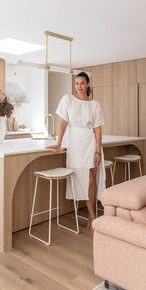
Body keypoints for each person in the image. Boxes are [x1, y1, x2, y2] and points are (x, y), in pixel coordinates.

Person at [48, 71, 106, 229]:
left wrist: (98, 151)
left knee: (92, 180)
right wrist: (59, 142)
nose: (79, 86)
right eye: (76, 83)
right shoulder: (68, 99)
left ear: (87, 84)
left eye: (82, 83)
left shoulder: (95, 105)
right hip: (75, 144)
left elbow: (98, 129)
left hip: (90, 143)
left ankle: (91, 215)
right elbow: (63, 123)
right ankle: (93, 216)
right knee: (84, 179)